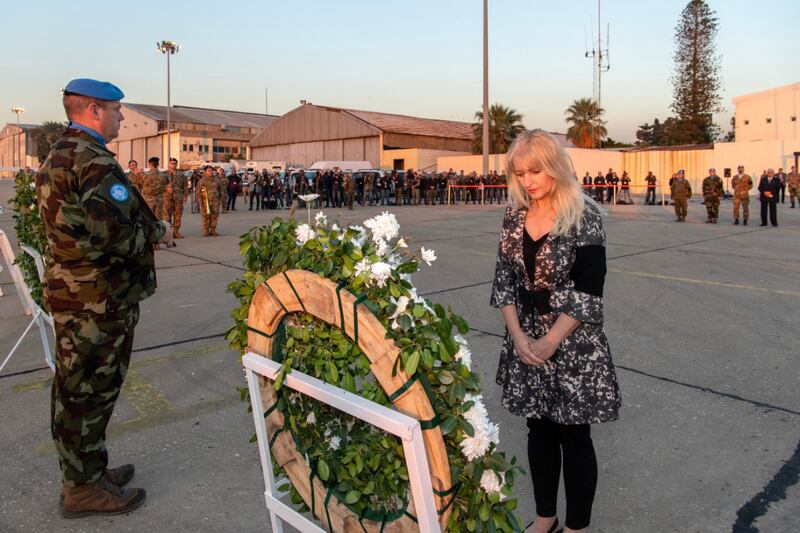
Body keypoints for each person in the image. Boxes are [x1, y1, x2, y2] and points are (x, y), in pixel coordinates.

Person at [36, 78, 173, 518]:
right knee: (88, 392)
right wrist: (157, 232)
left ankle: (89, 472)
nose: (120, 118)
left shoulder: (61, 152)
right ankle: (81, 488)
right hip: (95, 298)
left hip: (77, 293)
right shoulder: (92, 161)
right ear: (94, 110)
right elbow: (111, 235)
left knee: (79, 389)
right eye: (116, 110)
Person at [490, 130, 620, 533]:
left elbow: (589, 290)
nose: (528, 180)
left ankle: (577, 527)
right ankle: (546, 516)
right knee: (538, 428)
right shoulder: (514, 215)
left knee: (573, 436)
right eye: (520, 172)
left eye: (536, 170)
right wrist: (518, 337)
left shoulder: (584, 216)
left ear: (555, 167)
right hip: (525, 337)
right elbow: (504, 282)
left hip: (571, 342)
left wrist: (549, 340)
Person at [164, 158, 187, 239]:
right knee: (167, 216)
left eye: (174, 163)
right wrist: (166, 188)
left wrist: (185, 196)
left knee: (178, 216)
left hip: (178, 197)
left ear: (176, 164)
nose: (173, 164)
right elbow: (160, 185)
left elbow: (185, 186)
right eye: (171, 163)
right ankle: (168, 233)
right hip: (167, 198)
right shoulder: (164, 174)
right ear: (168, 164)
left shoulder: (181, 174)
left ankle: (176, 232)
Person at [196, 166, 223, 235]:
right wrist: (199, 201)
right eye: (209, 170)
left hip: (215, 202)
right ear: (205, 172)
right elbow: (198, 192)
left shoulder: (217, 180)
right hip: (205, 202)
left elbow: (221, 190)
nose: (210, 172)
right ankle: (206, 230)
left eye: (211, 170)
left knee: (214, 216)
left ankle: (213, 230)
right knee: (205, 216)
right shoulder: (202, 181)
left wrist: (221, 199)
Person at [141, 157, 166, 221]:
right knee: (159, 219)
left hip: (148, 200)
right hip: (159, 200)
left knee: (148, 219)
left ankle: (150, 231)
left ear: (149, 164)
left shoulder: (144, 176)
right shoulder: (163, 176)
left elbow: (137, 184)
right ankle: (158, 231)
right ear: (158, 164)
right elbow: (167, 185)